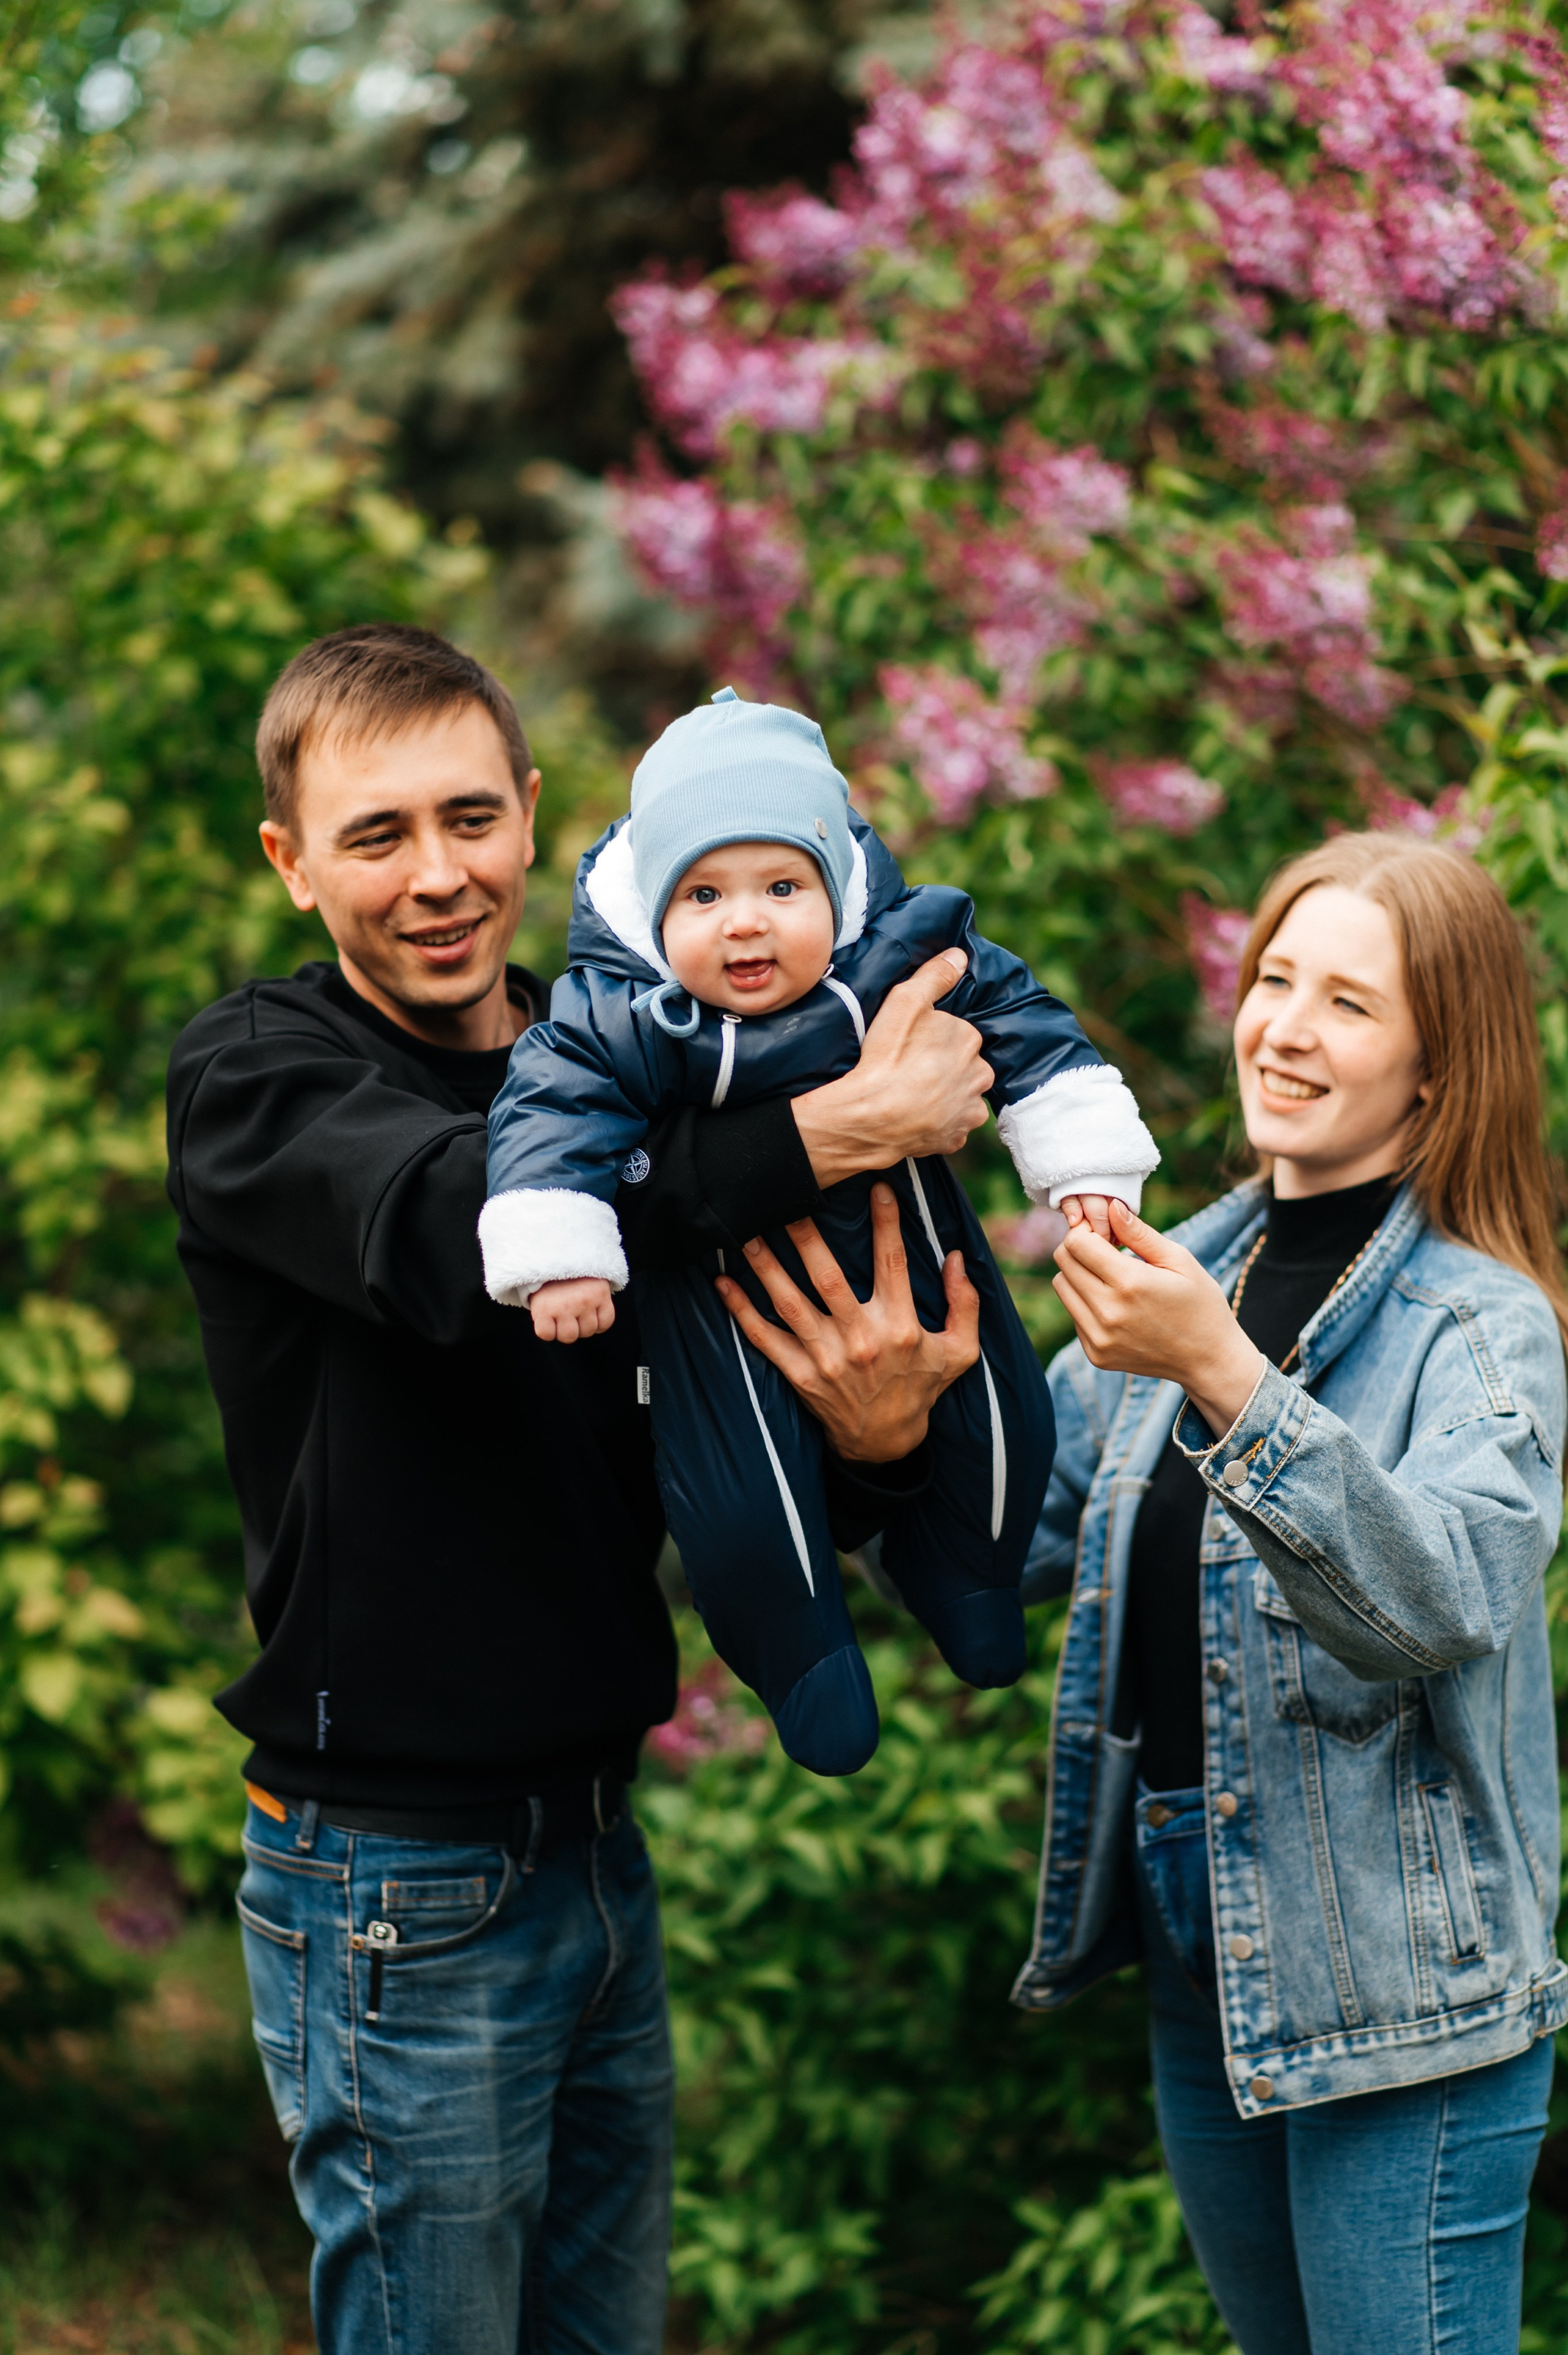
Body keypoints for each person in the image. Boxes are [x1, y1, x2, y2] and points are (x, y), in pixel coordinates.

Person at [165, 623, 1001, 2355]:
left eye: (470, 817)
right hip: (390, 1879)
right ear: (291, 862)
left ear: (537, 816)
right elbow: (466, 1233)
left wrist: (885, 1436)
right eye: (376, 833)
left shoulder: (625, 1059)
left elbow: (733, 1439)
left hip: (598, 1854)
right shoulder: (260, 1078)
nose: (437, 874)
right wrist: (845, 1124)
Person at [1013, 832, 1568, 2355]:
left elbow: (1433, 1599)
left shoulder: (1483, 1326)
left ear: (1434, 1074)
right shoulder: (1168, 1274)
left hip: (1408, 1996)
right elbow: (1004, 1575)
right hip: (1208, 1945)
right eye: (1273, 979)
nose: (1285, 1027)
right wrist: (874, 1424)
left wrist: (1219, 1371)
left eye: (1347, 1003)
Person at [480, 686, 1158, 1774]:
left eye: (781, 885)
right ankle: (800, 1658)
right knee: (740, 1507)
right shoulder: (622, 1013)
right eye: (702, 894)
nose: (745, 921)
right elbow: (550, 1111)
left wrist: (1081, 1159)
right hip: (720, 1310)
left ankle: (971, 1576)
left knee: (1004, 1413)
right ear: (654, 910)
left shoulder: (901, 951)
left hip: (921, 1257)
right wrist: (560, 1246)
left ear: (833, 888)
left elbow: (1025, 1024)